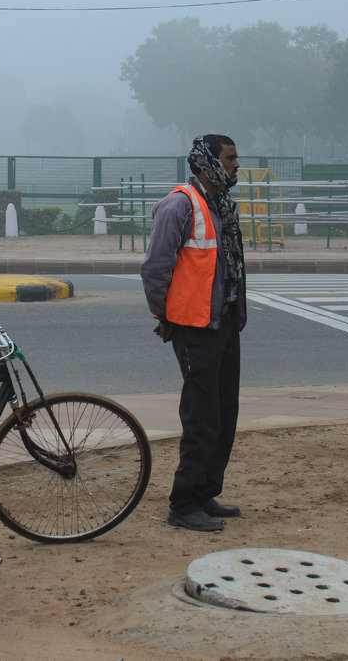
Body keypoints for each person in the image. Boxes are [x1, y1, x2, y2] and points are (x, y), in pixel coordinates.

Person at [141, 134, 247, 532]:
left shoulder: (221, 204)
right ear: (207, 163)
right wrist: (163, 314)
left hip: (224, 322)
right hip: (195, 327)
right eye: (230, 158)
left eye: (237, 158)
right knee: (201, 417)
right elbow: (155, 268)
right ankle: (183, 504)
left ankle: (205, 493)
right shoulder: (180, 205)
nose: (237, 165)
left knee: (223, 412)